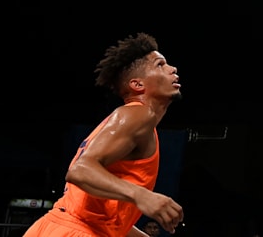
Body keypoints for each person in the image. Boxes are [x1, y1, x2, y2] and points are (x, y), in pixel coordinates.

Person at [23, 33, 185, 237]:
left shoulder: (136, 122)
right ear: (137, 85)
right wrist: (143, 195)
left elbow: (100, 216)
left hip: (61, 227)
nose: (173, 69)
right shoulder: (138, 113)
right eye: (160, 64)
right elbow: (79, 171)